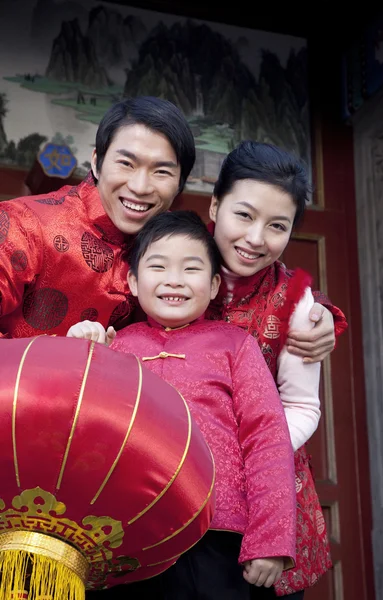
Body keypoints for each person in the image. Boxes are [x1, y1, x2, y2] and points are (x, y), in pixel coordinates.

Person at [0, 96, 339, 366]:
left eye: (161, 171)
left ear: (180, 183)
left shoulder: (173, 243)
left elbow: (235, 261)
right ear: (96, 161)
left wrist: (320, 310)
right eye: (126, 163)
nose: (140, 186)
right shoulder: (25, 224)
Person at [68, 210, 297, 600]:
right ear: (134, 282)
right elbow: (79, 432)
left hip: (216, 533)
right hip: (126, 534)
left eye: (191, 269)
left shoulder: (234, 346)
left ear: (212, 286)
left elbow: (267, 440)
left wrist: (269, 540)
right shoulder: (117, 346)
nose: (174, 280)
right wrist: (83, 352)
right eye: (158, 266)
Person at [205, 141, 347, 598]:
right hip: (177, 484)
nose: (255, 237)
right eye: (243, 215)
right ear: (214, 205)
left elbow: (303, 405)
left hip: (267, 500)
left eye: (277, 226)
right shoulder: (171, 271)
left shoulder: (298, 305)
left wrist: (245, 458)